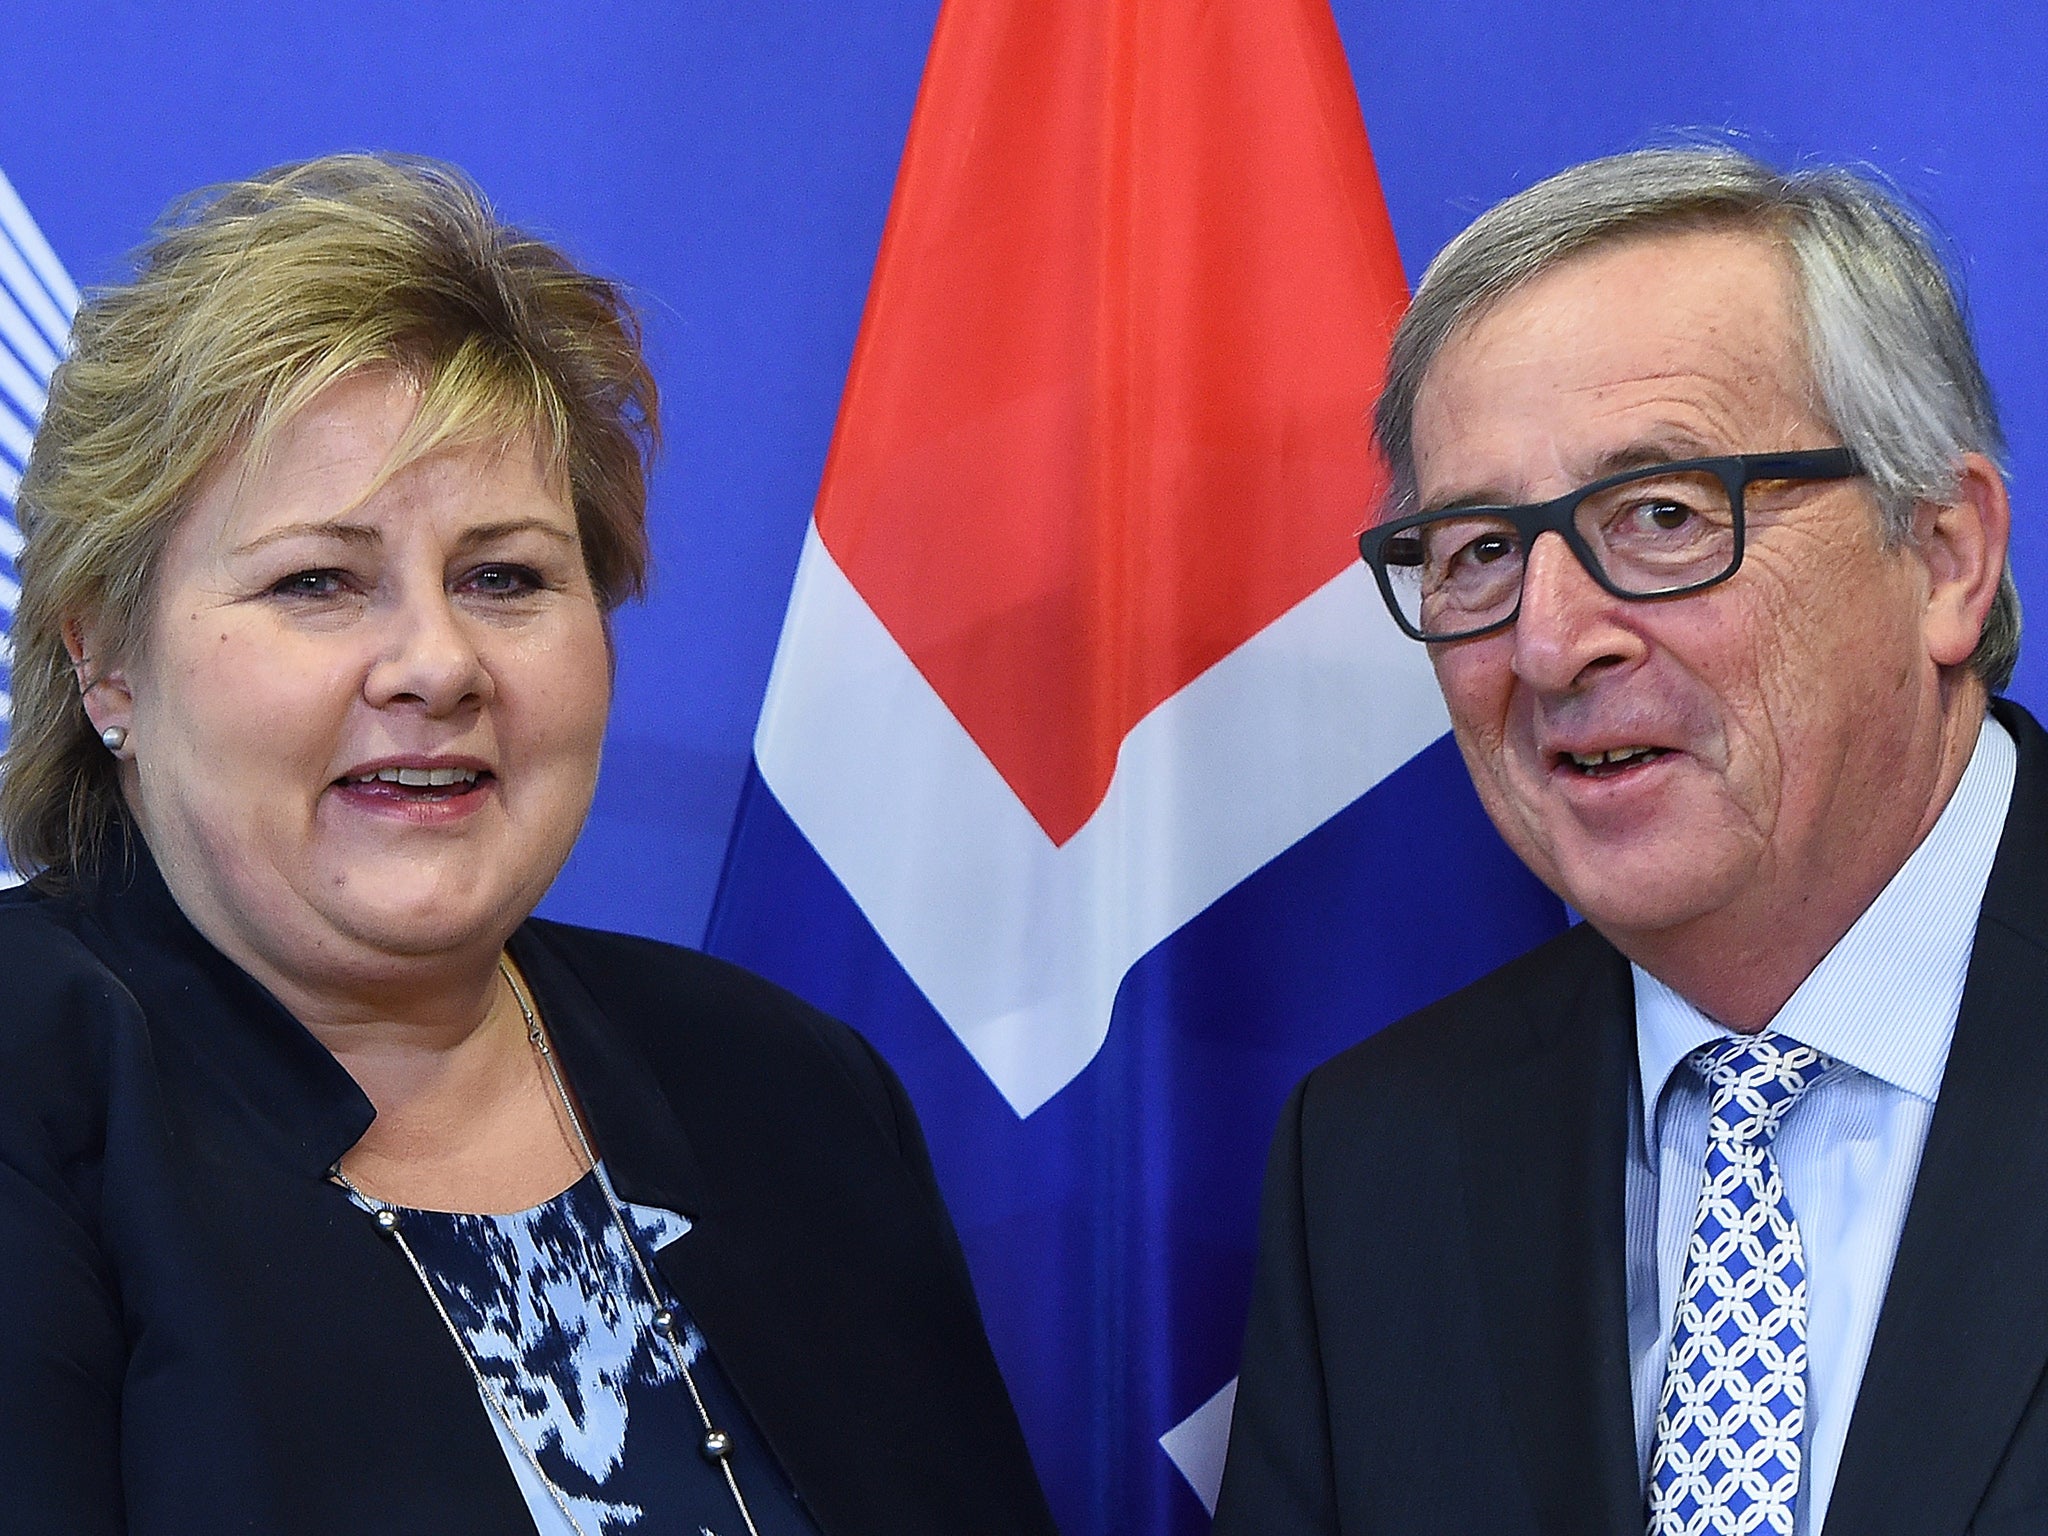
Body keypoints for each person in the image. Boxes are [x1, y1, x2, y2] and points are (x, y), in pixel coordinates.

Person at [0, 153, 1056, 1536]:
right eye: (319, 581)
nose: (436, 664)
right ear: (107, 663)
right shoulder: (27, 1079)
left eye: (506, 579)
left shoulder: (786, 1085)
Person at [1214, 145, 2048, 1535]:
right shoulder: (1374, 1160)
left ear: (1947, 556)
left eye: (1661, 516)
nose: (1547, 642)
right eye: (1479, 551)